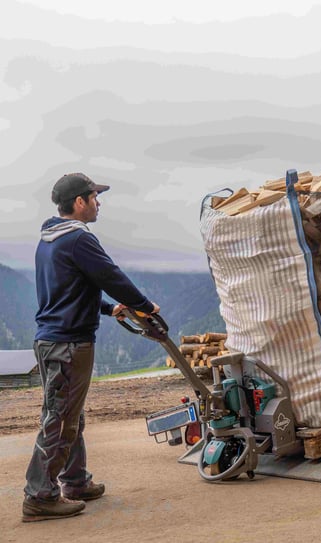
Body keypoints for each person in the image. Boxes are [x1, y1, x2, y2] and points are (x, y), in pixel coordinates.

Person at [22, 173, 160, 522]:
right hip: (69, 342)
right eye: (95, 196)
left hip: (51, 338)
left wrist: (107, 308)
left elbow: (66, 288)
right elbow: (109, 276)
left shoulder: (49, 240)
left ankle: (74, 480)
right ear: (79, 202)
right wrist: (144, 304)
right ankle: (39, 495)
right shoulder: (79, 238)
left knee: (70, 414)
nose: (100, 202)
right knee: (61, 418)